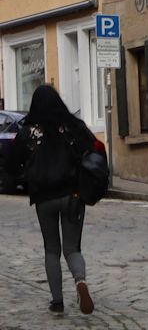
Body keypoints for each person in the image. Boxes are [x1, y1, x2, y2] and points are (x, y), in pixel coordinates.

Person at [6, 84, 97, 316]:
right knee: (72, 248)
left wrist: (23, 173)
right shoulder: (73, 127)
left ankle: (57, 302)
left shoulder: (29, 132)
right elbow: (93, 151)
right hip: (72, 194)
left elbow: (11, 163)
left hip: (44, 196)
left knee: (52, 249)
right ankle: (81, 283)